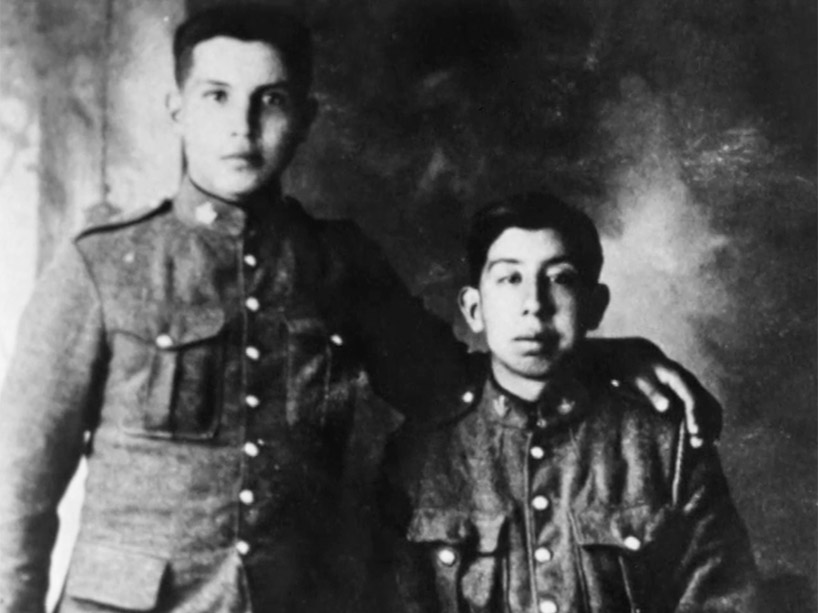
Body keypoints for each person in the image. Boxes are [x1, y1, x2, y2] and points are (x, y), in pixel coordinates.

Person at [0, 6, 719, 613]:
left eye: (271, 99)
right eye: (217, 96)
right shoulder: (100, 269)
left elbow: (456, 385)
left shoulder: (340, 266)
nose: (242, 125)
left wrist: (604, 353)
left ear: (306, 117)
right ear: (177, 108)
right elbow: (16, 501)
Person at [377, 193, 760, 613]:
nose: (535, 305)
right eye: (509, 279)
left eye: (560, 278)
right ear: (474, 308)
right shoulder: (418, 456)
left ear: (595, 307)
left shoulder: (665, 447)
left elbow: (723, 600)